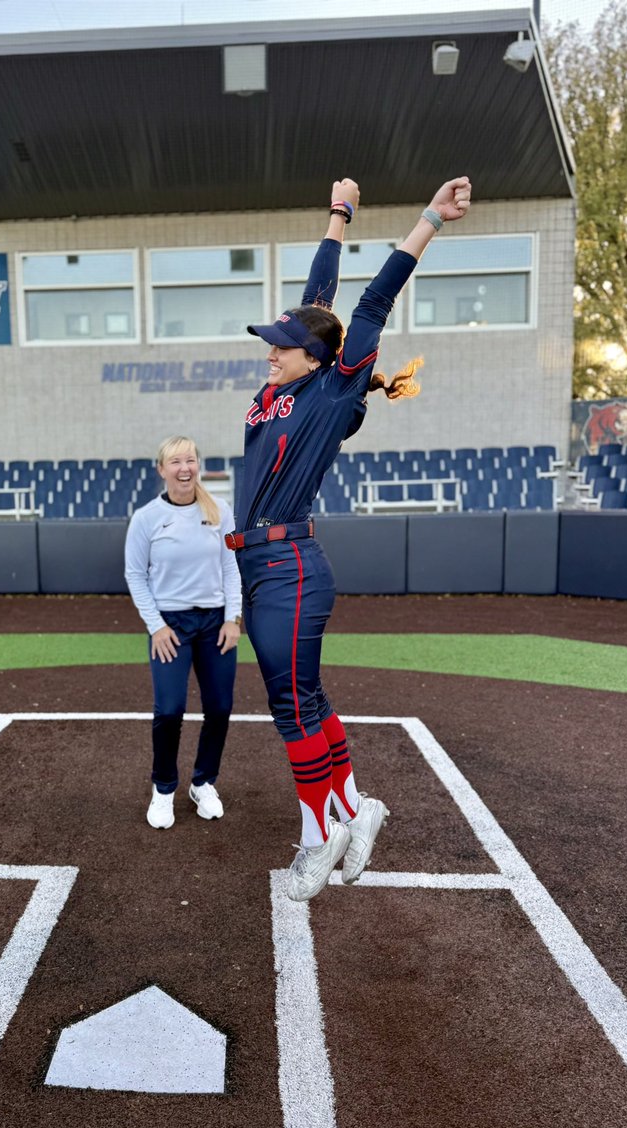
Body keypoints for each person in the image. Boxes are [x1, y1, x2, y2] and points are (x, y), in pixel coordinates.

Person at [228, 176, 472, 901]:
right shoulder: (282, 389)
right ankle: (355, 810)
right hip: (266, 566)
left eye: (281, 346)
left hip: (290, 567)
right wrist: (340, 215)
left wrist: (429, 219)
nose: (271, 352)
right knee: (306, 700)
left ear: (314, 358)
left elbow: (369, 305)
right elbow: (321, 298)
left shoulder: (334, 388)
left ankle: (318, 835)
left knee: (290, 707)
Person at [125, 436, 242, 829]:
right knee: (170, 710)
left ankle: (204, 782)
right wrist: (156, 627)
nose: (184, 468)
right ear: (162, 469)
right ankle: (163, 789)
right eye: (175, 462)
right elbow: (135, 576)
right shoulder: (146, 518)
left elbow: (231, 568)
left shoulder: (219, 510)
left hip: (215, 624)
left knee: (220, 708)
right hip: (171, 626)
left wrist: (233, 618)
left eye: (190, 460)